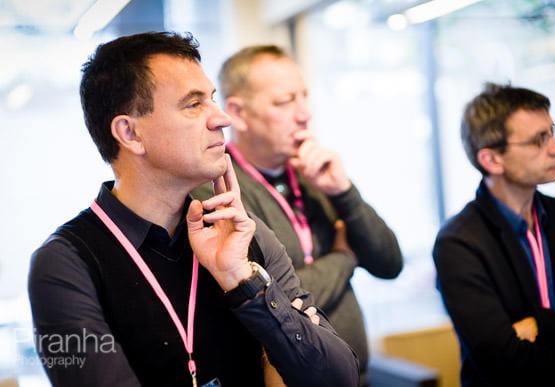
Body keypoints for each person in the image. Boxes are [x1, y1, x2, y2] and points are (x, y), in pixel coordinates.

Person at [27, 32, 360, 387]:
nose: (221, 119)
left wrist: (244, 283)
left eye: (212, 99)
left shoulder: (242, 232)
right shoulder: (65, 264)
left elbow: (340, 377)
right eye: (193, 104)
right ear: (130, 133)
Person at [192, 44, 403, 386]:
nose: (304, 113)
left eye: (304, 97)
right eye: (284, 102)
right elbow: (280, 302)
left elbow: (389, 263)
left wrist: (343, 192)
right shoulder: (217, 192)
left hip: (355, 375)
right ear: (238, 113)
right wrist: (342, 258)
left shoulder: (314, 174)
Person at [432, 82, 555, 386]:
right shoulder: (459, 243)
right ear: (492, 160)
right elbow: (504, 363)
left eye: (552, 132)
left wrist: (542, 325)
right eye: (540, 139)